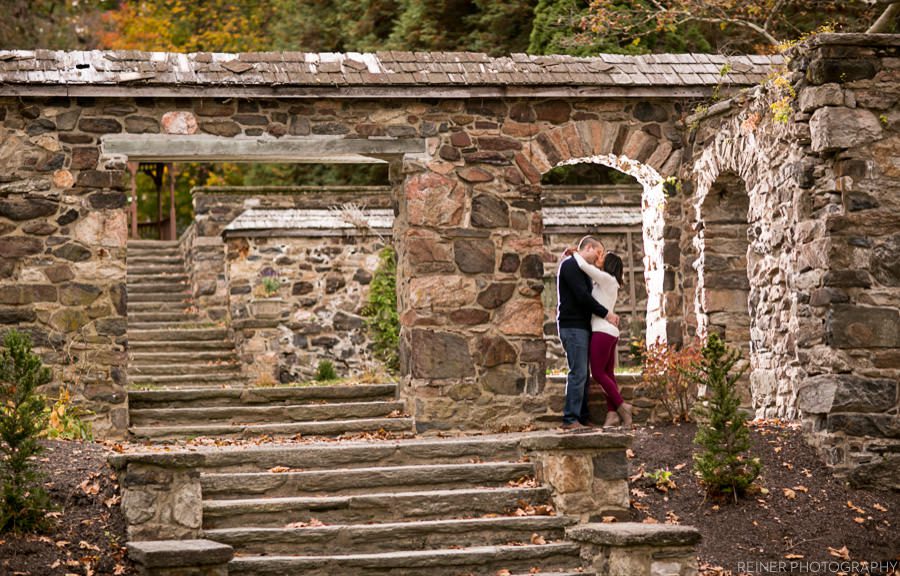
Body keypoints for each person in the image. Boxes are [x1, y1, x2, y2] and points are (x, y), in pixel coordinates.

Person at [556, 236, 619, 431]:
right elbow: (582, 297)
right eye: (598, 252)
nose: (599, 257)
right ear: (589, 247)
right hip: (572, 326)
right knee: (579, 372)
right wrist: (606, 313)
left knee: (585, 373)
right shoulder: (570, 266)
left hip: (582, 327)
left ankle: (581, 417)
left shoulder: (581, 267)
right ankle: (570, 419)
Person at [571, 249, 633, 428]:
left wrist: (575, 252)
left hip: (602, 332)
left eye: (602, 257)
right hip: (609, 332)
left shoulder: (607, 279)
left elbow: (583, 265)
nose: (599, 258)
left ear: (609, 264)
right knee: (608, 374)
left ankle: (622, 405)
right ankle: (612, 414)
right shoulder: (607, 282)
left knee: (597, 373)